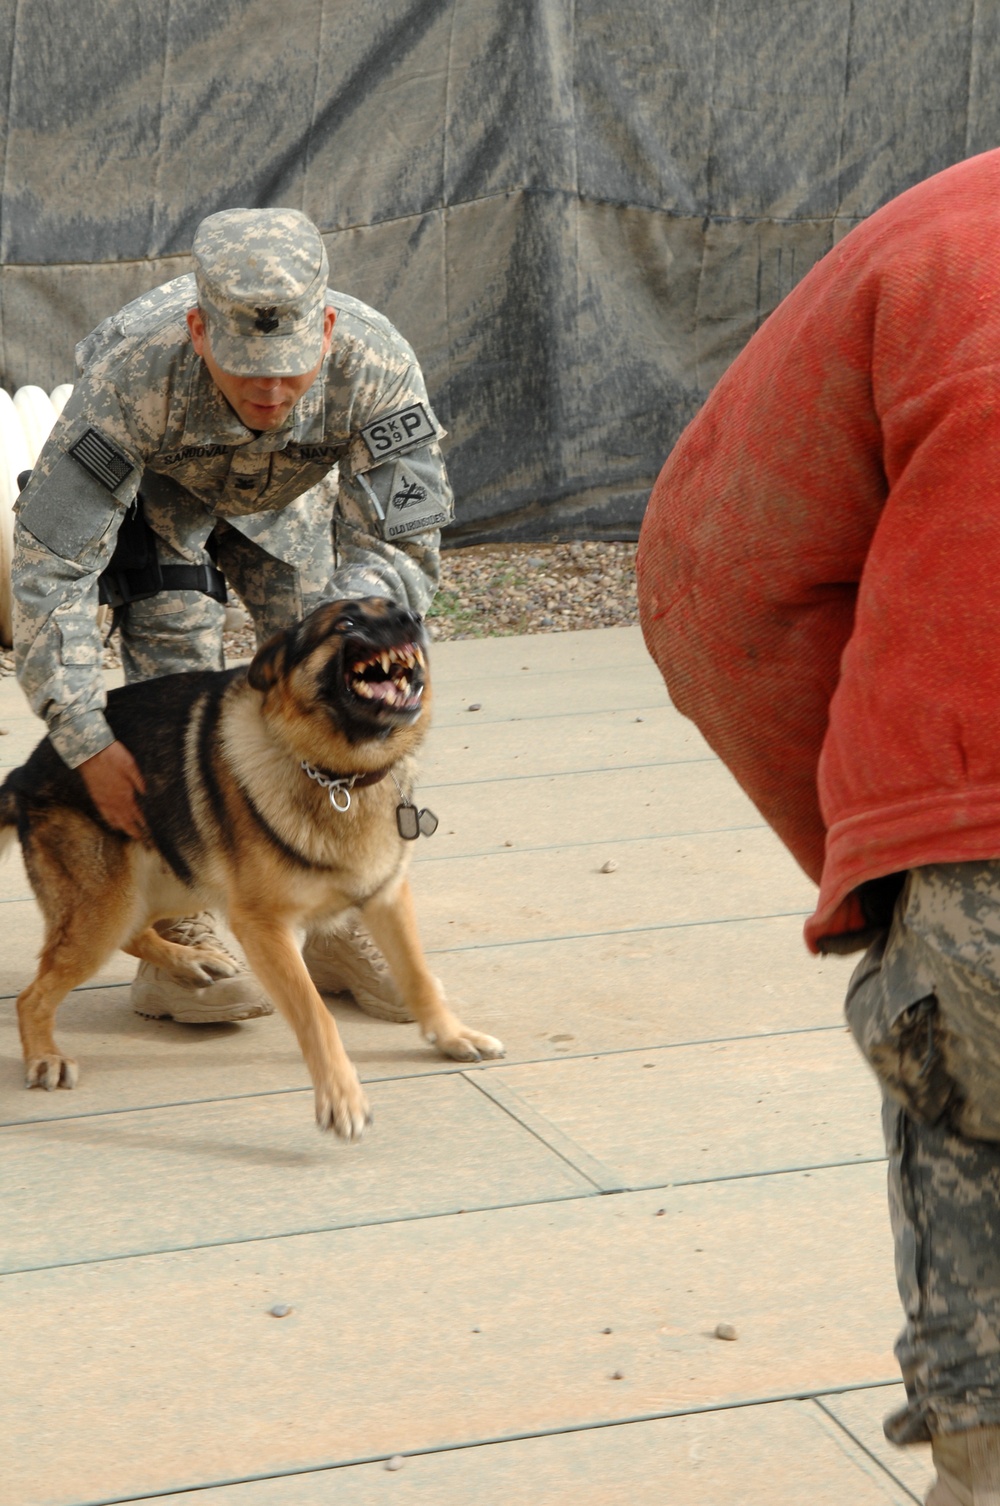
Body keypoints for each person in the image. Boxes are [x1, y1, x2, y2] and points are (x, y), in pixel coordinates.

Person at [636, 147, 1000, 1505]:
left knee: (968, 1107)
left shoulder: (935, 238)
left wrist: (882, 852)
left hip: (977, 856)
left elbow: (711, 579)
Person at [12, 207, 452, 1026]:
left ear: (324, 328)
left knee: (341, 689)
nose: (273, 393)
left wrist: (343, 645)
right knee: (178, 678)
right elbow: (52, 568)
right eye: (249, 372)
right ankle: (181, 930)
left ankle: (332, 916)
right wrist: (84, 736)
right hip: (160, 513)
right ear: (198, 331)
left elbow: (404, 547)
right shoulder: (129, 376)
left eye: (291, 371)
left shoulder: (376, 362)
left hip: (291, 512)